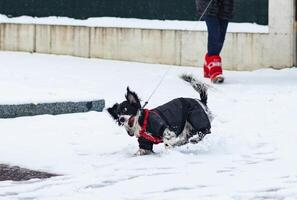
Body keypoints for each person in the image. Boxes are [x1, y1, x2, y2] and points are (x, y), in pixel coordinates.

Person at [195, 0, 234, 83]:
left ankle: (208, 64)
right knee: (215, 34)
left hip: (226, 5)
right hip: (208, 4)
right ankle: (215, 69)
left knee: (221, 37)